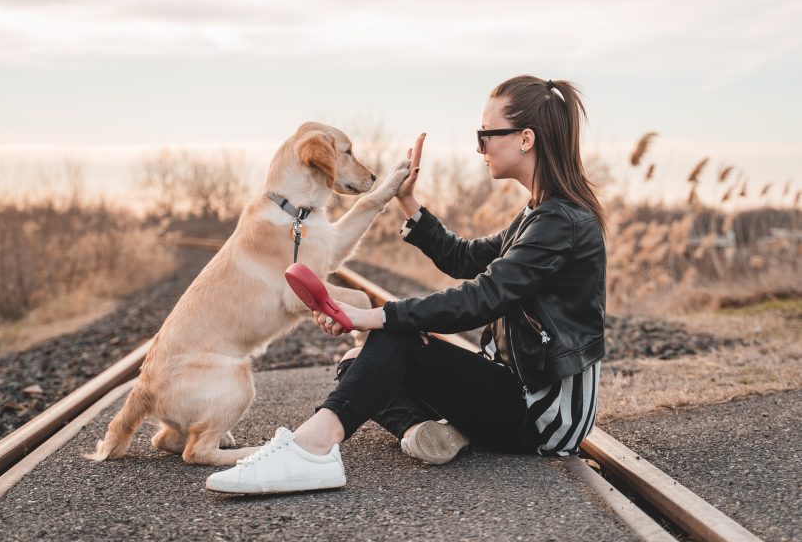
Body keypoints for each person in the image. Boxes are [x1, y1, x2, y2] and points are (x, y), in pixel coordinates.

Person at [205, 74, 608, 495]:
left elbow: (483, 298)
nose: (479, 147)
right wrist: (408, 202)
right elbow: (465, 258)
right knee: (357, 364)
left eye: (485, 135)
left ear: (525, 139)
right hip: (514, 388)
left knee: (392, 342)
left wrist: (376, 315)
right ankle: (424, 432)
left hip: (544, 413)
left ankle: (311, 449)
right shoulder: (539, 214)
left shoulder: (559, 222)